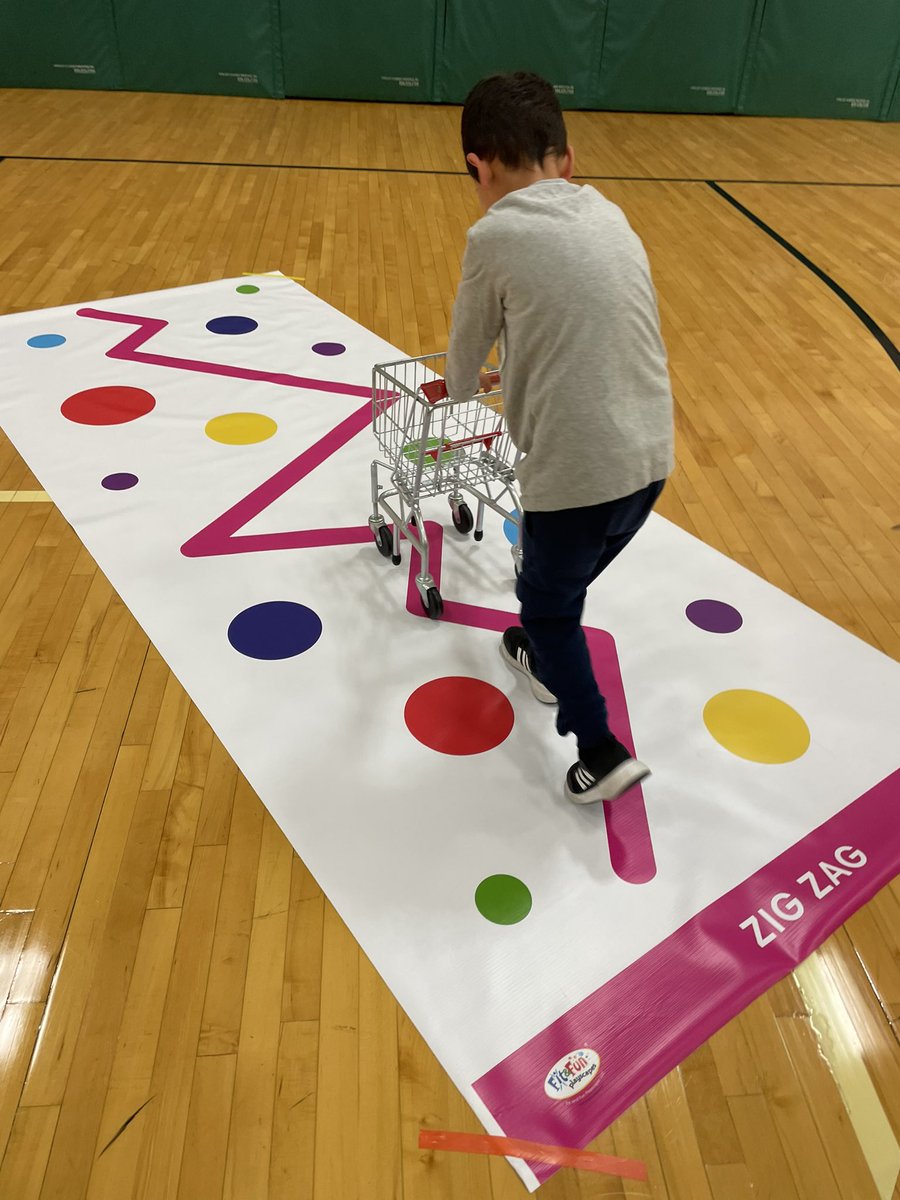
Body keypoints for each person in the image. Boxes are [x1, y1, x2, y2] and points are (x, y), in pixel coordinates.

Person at [444, 71, 674, 804]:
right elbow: (582, 330)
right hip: (649, 460)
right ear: (568, 161)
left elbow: (460, 362)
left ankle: (600, 750)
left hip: (575, 477)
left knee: (546, 604)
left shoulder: (492, 236)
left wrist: (462, 386)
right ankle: (543, 650)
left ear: (479, 166)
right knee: (559, 583)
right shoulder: (610, 213)